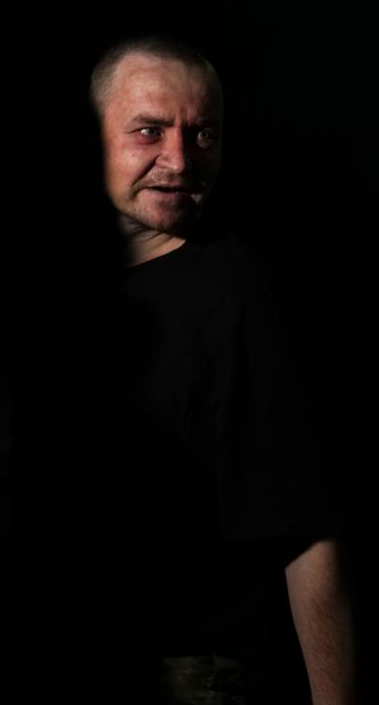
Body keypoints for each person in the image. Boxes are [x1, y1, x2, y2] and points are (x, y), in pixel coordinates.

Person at [20, 35, 354, 704]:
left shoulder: (244, 298)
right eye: (150, 130)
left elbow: (308, 530)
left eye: (204, 135)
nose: (180, 159)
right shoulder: (60, 277)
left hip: (186, 673)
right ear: (93, 136)